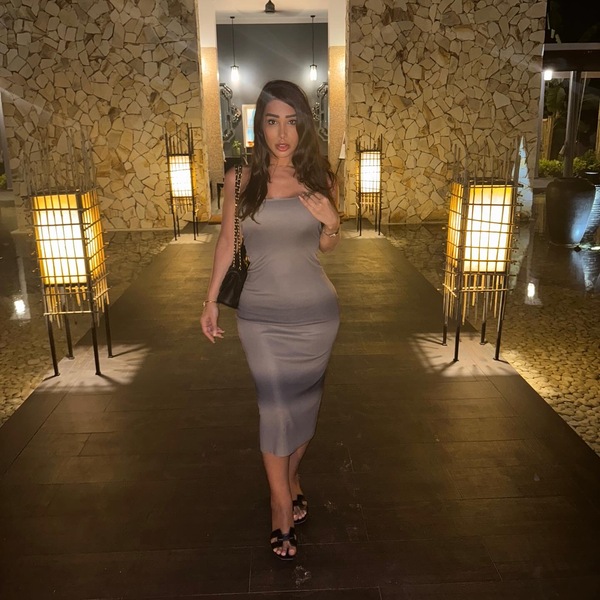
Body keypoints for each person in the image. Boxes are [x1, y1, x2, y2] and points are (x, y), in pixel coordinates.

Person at [200, 80, 341, 560]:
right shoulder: (240, 179)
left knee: (303, 411)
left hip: (316, 315)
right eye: (273, 121)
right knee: (275, 408)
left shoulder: (320, 177)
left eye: (292, 122)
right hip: (260, 317)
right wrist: (210, 299)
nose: (283, 134)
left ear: (305, 125)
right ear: (258, 125)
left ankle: (292, 477)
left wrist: (333, 223)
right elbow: (227, 241)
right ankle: (280, 504)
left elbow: (326, 246)